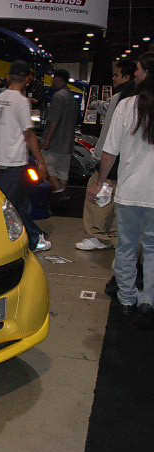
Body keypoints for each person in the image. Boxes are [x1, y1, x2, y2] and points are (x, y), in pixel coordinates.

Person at [89, 52, 154, 327]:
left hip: (129, 193)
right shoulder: (127, 104)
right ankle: (148, 301)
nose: (135, 74)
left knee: (126, 247)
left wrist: (100, 182)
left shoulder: (126, 106)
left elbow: (109, 151)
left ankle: (126, 299)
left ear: (147, 73)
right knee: (152, 249)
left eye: (138, 70)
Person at [76, 59, 137, 251]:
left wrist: (100, 158)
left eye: (116, 75)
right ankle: (112, 235)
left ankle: (97, 236)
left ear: (127, 76)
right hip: (130, 163)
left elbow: (110, 133)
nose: (113, 78)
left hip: (112, 160)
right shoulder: (140, 100)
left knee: (97, 195)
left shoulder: (121, 100)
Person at [0, 60, 51, 252]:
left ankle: (30, 235)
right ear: (27, 79)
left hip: (0, 158)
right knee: (12, 206)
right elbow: (29, 134)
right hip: (15, 160)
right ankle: (35, 237)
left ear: (9, 77)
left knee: (18, 203)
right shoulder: (22, 102)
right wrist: (41, 161)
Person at [42, 69, 76, 195]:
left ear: (58, 79)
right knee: (62, 172)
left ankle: (59, 192)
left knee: (47, 166)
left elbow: (54, 121)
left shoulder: (58, 96)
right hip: (68, 142)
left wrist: (47, 140)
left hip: (56, 142)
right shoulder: (71, 97)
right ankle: (62, 194)